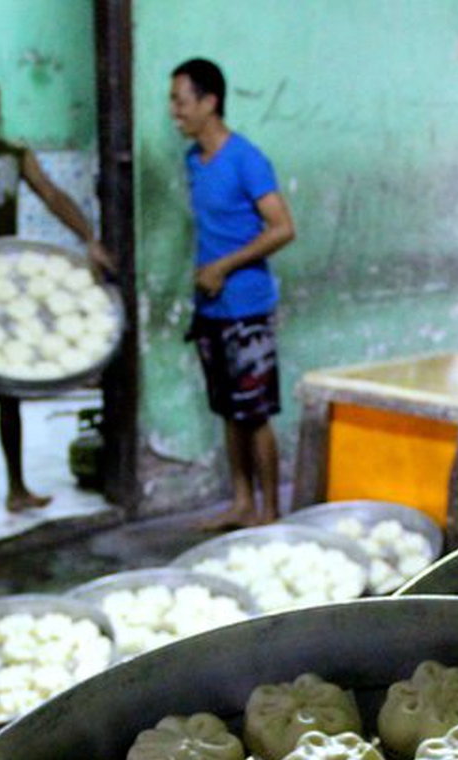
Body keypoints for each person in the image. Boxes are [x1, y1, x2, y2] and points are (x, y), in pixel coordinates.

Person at [0, 74, 112, 512]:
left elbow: (53, 196)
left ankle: (17, 487)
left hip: (4, 290)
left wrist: (88, 237)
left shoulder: (14, 156)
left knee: (9, 390)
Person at [169, 57, 296, 528]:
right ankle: (242, 503)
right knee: (228, 410)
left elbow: (283, 228)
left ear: (209, 102)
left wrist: (223, 266)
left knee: (255, 413)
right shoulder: (193, 161)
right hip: (211, 309)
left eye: (180, 101)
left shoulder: (246, 158)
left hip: (247, 307)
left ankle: (269, 512)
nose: (173, 111)